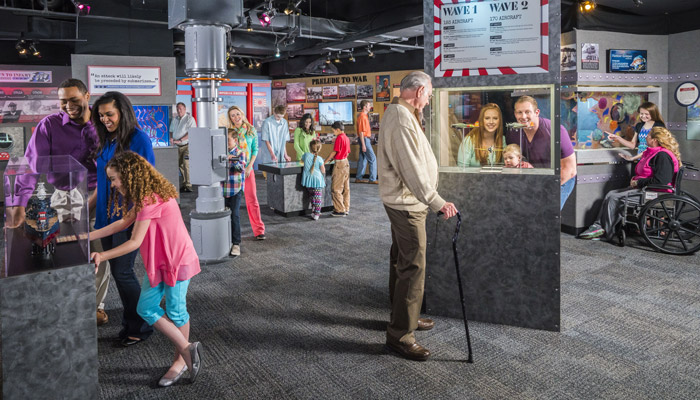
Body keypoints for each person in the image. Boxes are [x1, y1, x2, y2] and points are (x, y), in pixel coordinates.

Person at [90, 151, 203, 386]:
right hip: (159, 260)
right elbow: (123, 223)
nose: (112, 185)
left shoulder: (150, 198)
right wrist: (84, 236)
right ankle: (187, 349)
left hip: (176, 260)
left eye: (114, 179)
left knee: (176, 311)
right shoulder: (143, 196)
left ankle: (180, 361)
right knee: (146, 307)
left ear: (129, 176)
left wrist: (102, 255)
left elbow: (134, 242)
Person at [4, 78, 111, 326]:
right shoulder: (49, 126)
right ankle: (66, 299)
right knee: (60, 248)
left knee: (97, 252)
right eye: (63, 101)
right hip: (62, 195)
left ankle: (95, 305)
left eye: (74, 99)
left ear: (87, 95)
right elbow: (32, 166)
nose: (68, 106)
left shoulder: (103, 124)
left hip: (98, 193)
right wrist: (19, 204)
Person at [377, 71, 458, 361]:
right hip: (407, 206)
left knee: (401, 261)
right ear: (420, 90)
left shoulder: (404, 113)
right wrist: (436, 201)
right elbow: (410, 167)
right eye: (431, 92)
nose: (431, 97)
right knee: (413, 267)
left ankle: (403, 319)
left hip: (404, 202)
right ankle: (400, 334)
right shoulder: (400, 117)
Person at [91, 91, 155, 346]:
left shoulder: (139, 139)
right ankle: (131, 322)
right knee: (119, 274)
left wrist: (132, 218)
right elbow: (101, 184)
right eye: (101, 115)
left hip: (127, 218)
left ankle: (140, 327)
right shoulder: (106, 140)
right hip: (105, 217)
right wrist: (83, 209)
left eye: (110, 114)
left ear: (122, 113)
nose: (105, 119)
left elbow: (146, 185)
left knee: (123, 272)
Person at [579, 127, 681, 241]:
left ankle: (606, 231)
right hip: (646, 189)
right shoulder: (652, 152)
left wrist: (638, 182)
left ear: (654, 140)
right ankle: (599, 226)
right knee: (611, 194)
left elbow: (661, 180)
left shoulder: (662, 156)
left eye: (648, 136)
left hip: (655, 193)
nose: (646, 137)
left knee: (614, 197)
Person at [506, 96, 577, 210]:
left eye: (527, 112)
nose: (523, 116)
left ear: (537, 112)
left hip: (562, 179)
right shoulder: (513, 133)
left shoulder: (556, 130)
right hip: (535, 179)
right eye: (519, 112)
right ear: (515, 114)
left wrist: (544, 189)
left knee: (547, 212)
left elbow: (570, 170)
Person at [228, 105, 267, 240]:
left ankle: (259, 230)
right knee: (232, 203)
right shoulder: (230, 132)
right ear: (230, 118)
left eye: (237, 114)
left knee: (252, 200)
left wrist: (250, 166)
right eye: (232, 115)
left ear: (242, 114)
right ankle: (230, 232)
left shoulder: (251, 131)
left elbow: (255, 150)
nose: (236, 117)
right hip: (233, 171)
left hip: (247, 169)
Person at [223, 128, 248, 256]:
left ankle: (236, 243)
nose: (226, 143)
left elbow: (240, 168)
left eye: (228, 140)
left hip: (235, 190)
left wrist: (231, 160)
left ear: (235, 140)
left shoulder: (240, 153)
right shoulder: (221, 152)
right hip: (222, 190)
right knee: (223, 217)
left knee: (235, 216)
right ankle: (225, 241)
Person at [457, 103, 506, 167]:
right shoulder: (469, 141)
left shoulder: (502, 139)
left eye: (495, 118)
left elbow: (505, 166)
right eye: (487, 118)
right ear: (481, 120)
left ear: (499, 121)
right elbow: (462, 170)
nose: (491, 122)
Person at [324, 121, 351, 216]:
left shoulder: (339, 138)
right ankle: (346, 207)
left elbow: (334, 152)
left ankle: (339, 210)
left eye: (333, 131)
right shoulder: (346, 138)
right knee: (345, 188)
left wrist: (325, 162)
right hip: (346, 163)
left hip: (339, 165)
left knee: (336, 188)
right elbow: (347, 152)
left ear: (338, 130)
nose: (333, 133)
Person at [169, 102, 197, 192]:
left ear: (185, 109)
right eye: (177, 109)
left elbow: (191, 132)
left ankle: (189, 184)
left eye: (180, 109)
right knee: (180, 164)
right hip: (177, 146)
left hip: (187, 146)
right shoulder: (175, 119)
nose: (179, 110)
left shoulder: (190, 119)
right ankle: (184, 184)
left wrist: (180, 140)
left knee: (186, 163)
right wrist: (171, 138)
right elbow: (171, 130)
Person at [301, 140, 326, 220]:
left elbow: (301, 162)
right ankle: (317, 214)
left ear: (310, 148)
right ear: (319, 149)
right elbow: (323, 170)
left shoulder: (306, 155)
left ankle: (314, 210)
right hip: (317, 180)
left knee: (312, 196)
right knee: (318, 197)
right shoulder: (320, 159)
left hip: (308, 180)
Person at [355, 100, 378, 184]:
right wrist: (364, 145)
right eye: (368, 106)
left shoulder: (363, 116)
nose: (370, 107)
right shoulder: (362, 117)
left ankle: (359, 178)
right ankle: (372, 179)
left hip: (364, 139)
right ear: (364, 107)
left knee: (363, 158)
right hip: (364, 139)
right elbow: (361, 132)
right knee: (373, 158)